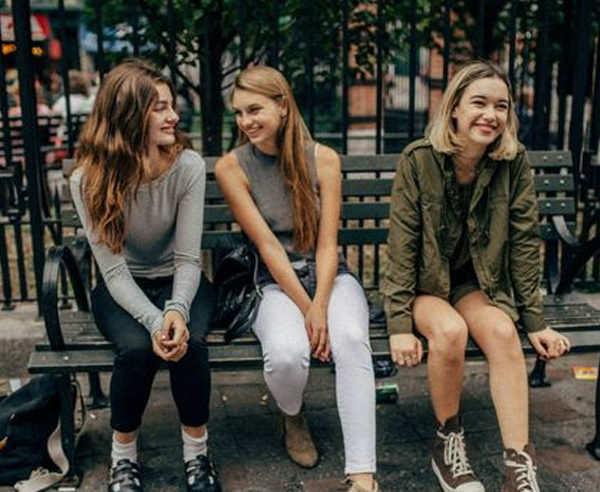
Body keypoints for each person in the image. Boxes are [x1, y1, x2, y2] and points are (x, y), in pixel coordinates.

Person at [382, 59, 571, 492]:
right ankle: (448, 446)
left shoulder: (512, 162)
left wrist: (535, 322)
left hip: (476, 285)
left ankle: (519, 467)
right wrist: (399, 326)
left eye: (500, 106)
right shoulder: (419, 160)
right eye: (479, 103)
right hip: (425, 286)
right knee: (450, 331)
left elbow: (524, 242)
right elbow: (401, 248)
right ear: (454, 109)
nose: (491, 115)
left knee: (503, 332)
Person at [215, 66, 378, 492]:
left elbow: (327, 245)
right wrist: (309, 311)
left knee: (351, 340)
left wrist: (320, 304)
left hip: (329, 277)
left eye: (254, 110)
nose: (245, 121)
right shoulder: (232, 168)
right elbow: (269, 247)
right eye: (238, 113)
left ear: (283, 106)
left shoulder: (325, 160)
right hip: (272, 282)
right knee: (287, 353)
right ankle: (292, 416)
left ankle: (362, 474)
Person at [71, 59, 220, 492]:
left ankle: (197, 456)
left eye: (171, 105)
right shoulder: (88, 179)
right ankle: (123, 460)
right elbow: (114, 271)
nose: (174, 116)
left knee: (189, 346)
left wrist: (176, 311)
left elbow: (188, 259)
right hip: (123, 286)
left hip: (179, 279)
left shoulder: (187, 166)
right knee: (136, 351)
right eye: (160, 108)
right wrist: (155, 322)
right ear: (128, 115)